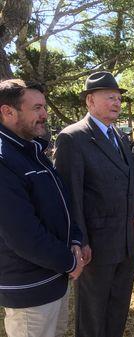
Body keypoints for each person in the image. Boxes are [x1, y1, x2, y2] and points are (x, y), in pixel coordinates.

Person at [54, 71, 134, 337]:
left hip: (127, 239)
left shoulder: (119, 135)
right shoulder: (73, 138)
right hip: (96, 245)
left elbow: (130, 174)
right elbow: (70, 196)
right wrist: (79, 240)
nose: (116, 103)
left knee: (118, 306)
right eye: (110, 98)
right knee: (93, 313)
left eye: (118, 98)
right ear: (90, 101)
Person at [0, 79, 83, 337]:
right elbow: (23, 235)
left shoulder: (31, 150)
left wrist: (76, 239)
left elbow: (60, 203)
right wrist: (70, 261)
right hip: (30, 290)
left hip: (54, 277)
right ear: (7, 112)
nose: (44, 114)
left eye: (44, 107)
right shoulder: (4, 160)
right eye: (36, 108)